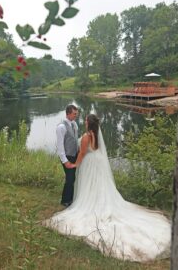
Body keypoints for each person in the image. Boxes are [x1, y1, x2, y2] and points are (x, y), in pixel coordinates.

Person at [44, 114, 171, 262]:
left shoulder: (86, 136)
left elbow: (83, 153)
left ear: (88, 123)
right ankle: (98, 201)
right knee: (98, 185)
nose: (84, 122)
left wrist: (74, 165)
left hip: (89, 164)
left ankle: (90, 203)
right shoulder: (96, 135)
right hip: (97, 163)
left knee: (90, 185)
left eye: (85, 120)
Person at [56, 104, 79, 207]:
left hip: (75, 155)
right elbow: (60, 146)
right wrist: (65, 161)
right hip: (67, 156)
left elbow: (75, 140)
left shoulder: (74, 124)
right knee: (70, 178)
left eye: (76, 114)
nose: (76, 116)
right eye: (74, 114)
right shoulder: (61, 127)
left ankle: (71, 198)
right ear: (68, 113)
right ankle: (65, 201)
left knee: (72, 178)